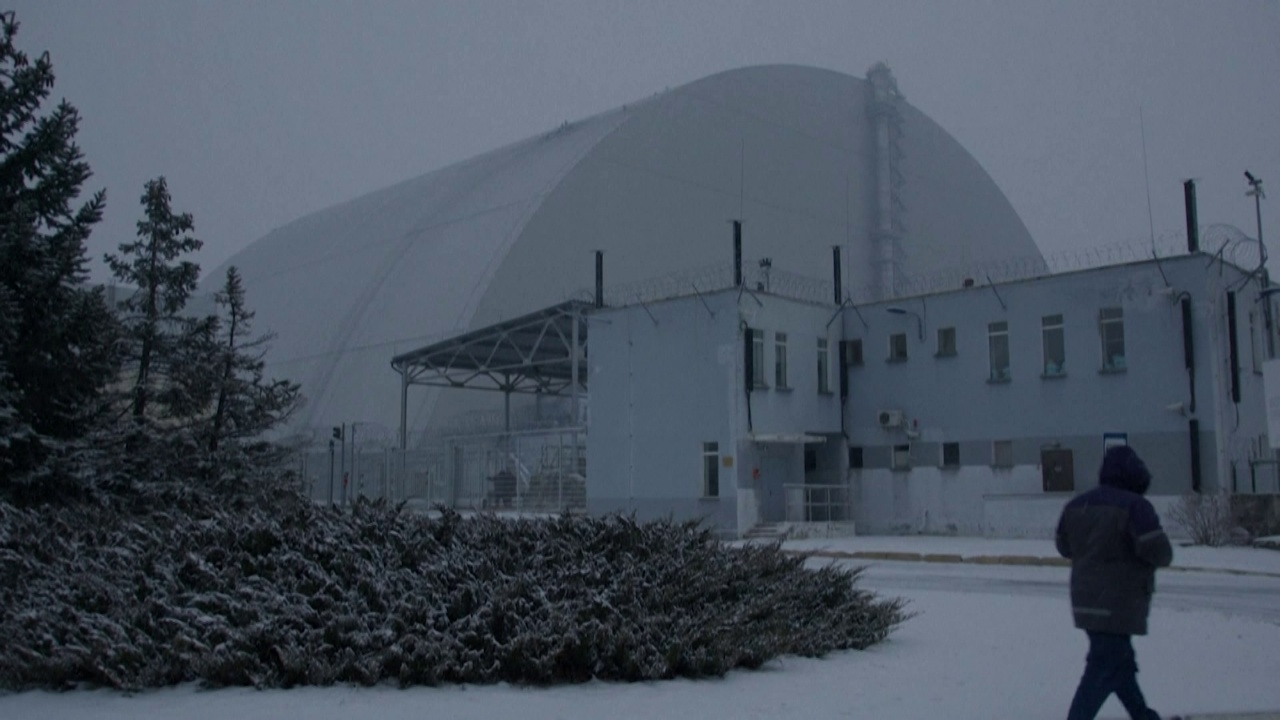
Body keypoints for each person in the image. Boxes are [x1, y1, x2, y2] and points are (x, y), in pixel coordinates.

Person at [1055, 445, 1176, 720]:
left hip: (1085, 601)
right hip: (1120, 603)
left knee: (1119, 665)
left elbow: (1063, 546)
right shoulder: (1135, 506)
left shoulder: (1077, 505)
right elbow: (1159, 552)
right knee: (1103, 667)